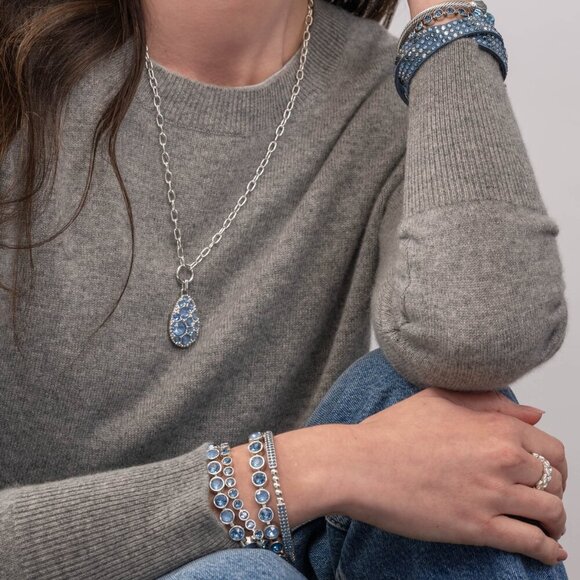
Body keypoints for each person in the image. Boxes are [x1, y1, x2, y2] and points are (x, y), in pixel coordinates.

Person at [0, 0, 569, 578]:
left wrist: (447, 28)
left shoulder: (400, 85)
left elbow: (478, 338)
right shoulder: (16, 74)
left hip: (296, 556)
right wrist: (320, 468)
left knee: (430, 404)